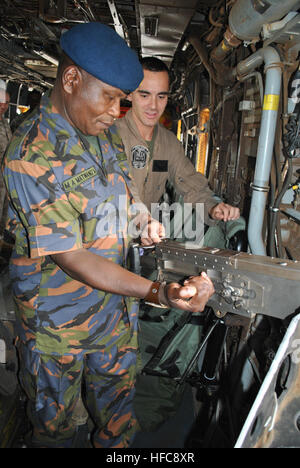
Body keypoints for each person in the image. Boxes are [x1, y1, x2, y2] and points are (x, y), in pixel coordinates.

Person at [2, 22, 214, 448]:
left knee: (118, 417)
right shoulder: (31, 154)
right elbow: (72, 256)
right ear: (71, 79)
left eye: (122, 101)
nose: (116, 111)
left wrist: (141, 220)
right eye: (112, 98)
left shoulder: (101, 136)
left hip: (114, 309)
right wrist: (158, 292)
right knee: (55, 424)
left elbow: (124, 192)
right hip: (56, 321)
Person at [116, 57, 240, 228]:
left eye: (161, 96)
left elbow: (190, 183)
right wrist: (142, 219)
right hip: (109, 237)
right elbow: (118, 187)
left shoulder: (169, 144)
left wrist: (212, 207)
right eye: (144, 95)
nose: (153, 106)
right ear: (130, 94)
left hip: (143, 236)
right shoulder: (110, 136)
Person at [0, 90, 12, 236]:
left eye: (6, 102)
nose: (3, 106)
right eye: (0, 102)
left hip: (4, 180)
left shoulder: (4, 122)